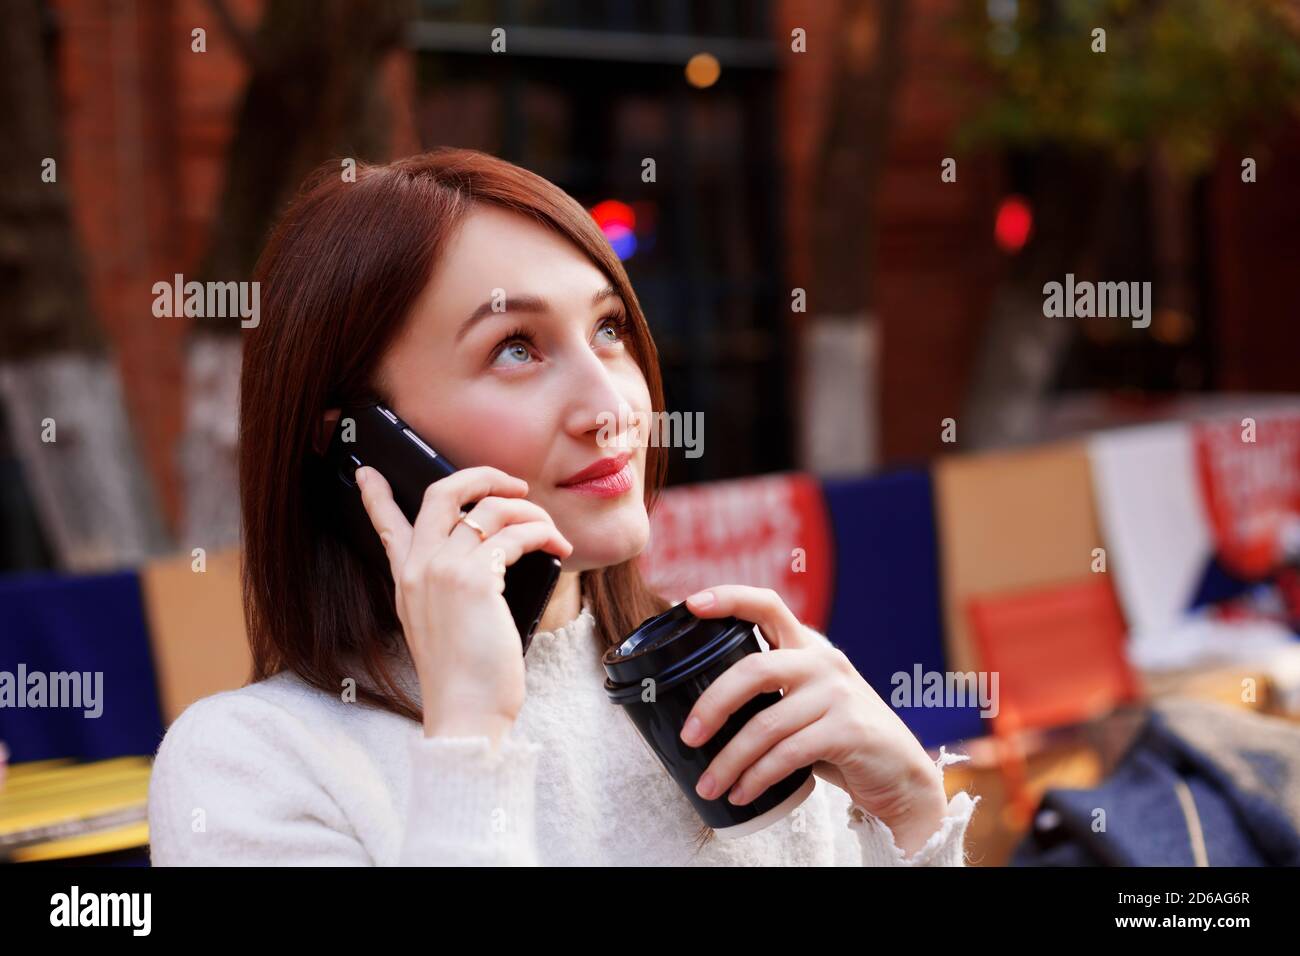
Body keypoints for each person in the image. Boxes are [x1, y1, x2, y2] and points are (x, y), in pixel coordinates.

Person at [147, 147, 980, 865]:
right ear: (361, 437)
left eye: (609, 328)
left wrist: (912, 809)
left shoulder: (735, 683)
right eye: (516, 348)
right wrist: (469, 735)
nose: (609, 403)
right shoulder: (252, 764)